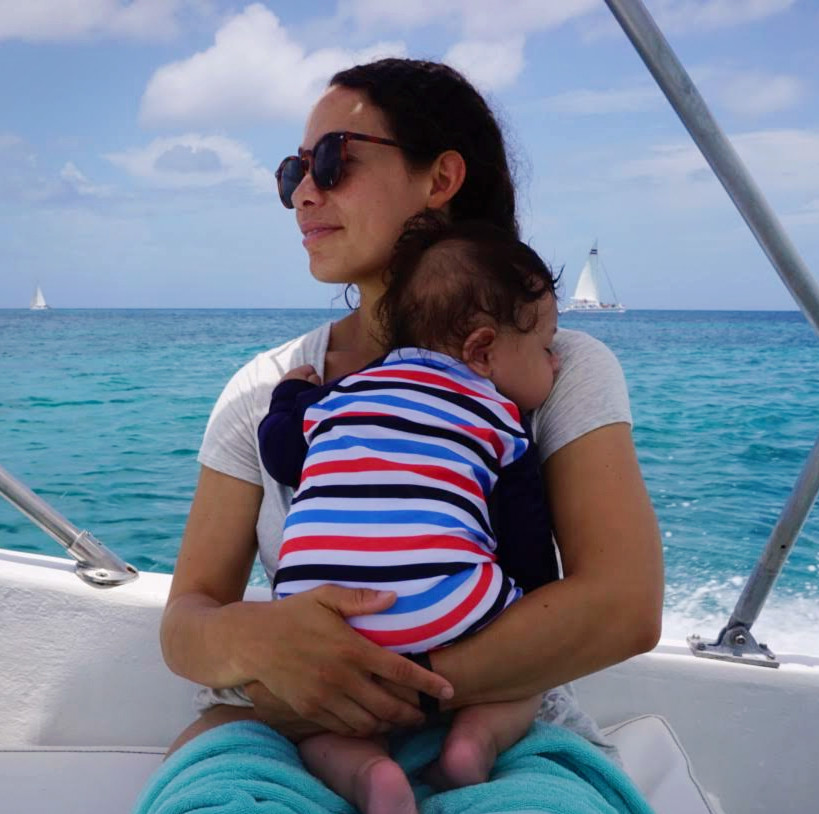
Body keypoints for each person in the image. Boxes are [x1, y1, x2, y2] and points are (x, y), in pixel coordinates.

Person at [159, 57, 662, 807]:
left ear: (441, 178)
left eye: (332, 161)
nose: (303, 191)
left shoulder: (549, 369)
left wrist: (377, 676)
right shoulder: (266, 388)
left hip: (498, 723)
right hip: (282, 726)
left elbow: (622, 605)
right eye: (292, 169)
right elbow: (188, 618)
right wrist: (261, 644)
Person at [257, 215, 561, 811]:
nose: (555, 364)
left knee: (318, 727)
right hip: (444, 616)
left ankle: (369, 773)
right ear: (482, 350)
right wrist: (532, 608)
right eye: (546, 348)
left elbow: (280, 453)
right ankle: (473, 743)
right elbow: (527, 539)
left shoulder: (343, 394)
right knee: (530, 674)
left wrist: (289, 394)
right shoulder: (501, 421)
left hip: (321, 624)